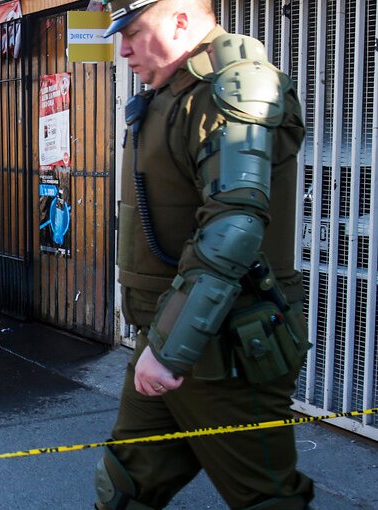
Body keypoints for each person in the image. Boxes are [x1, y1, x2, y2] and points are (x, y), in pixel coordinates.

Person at [95, 1, 313, 509]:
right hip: (174, 338)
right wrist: (163, 344)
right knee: (125, 487)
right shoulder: (178, 91)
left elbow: (234, 225)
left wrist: (170, 349)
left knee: (267, 501)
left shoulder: (235, 88)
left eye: (134, 31)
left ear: (179, 21)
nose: (122, 48)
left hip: (227, 349)